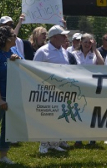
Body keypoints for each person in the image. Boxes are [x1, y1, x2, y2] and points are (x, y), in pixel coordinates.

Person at [0, 26, 22, 165]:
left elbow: (24, 67)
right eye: (13, 35)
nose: (16, 38)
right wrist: (0, 99)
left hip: (12, 96)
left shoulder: (14, 50)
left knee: (7, 128)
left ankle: (3, 156)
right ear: (7, 39)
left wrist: (18, 60)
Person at [33, 25, 70, 154]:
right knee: (47, 117)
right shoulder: (42, 51)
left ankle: (54, 143)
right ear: (54, 37)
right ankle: (43, 144)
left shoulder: (64, 51)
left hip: (62, 90)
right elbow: (34, 70)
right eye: (63, 35)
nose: (66, 37)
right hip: (46, 90)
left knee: (58, 116)